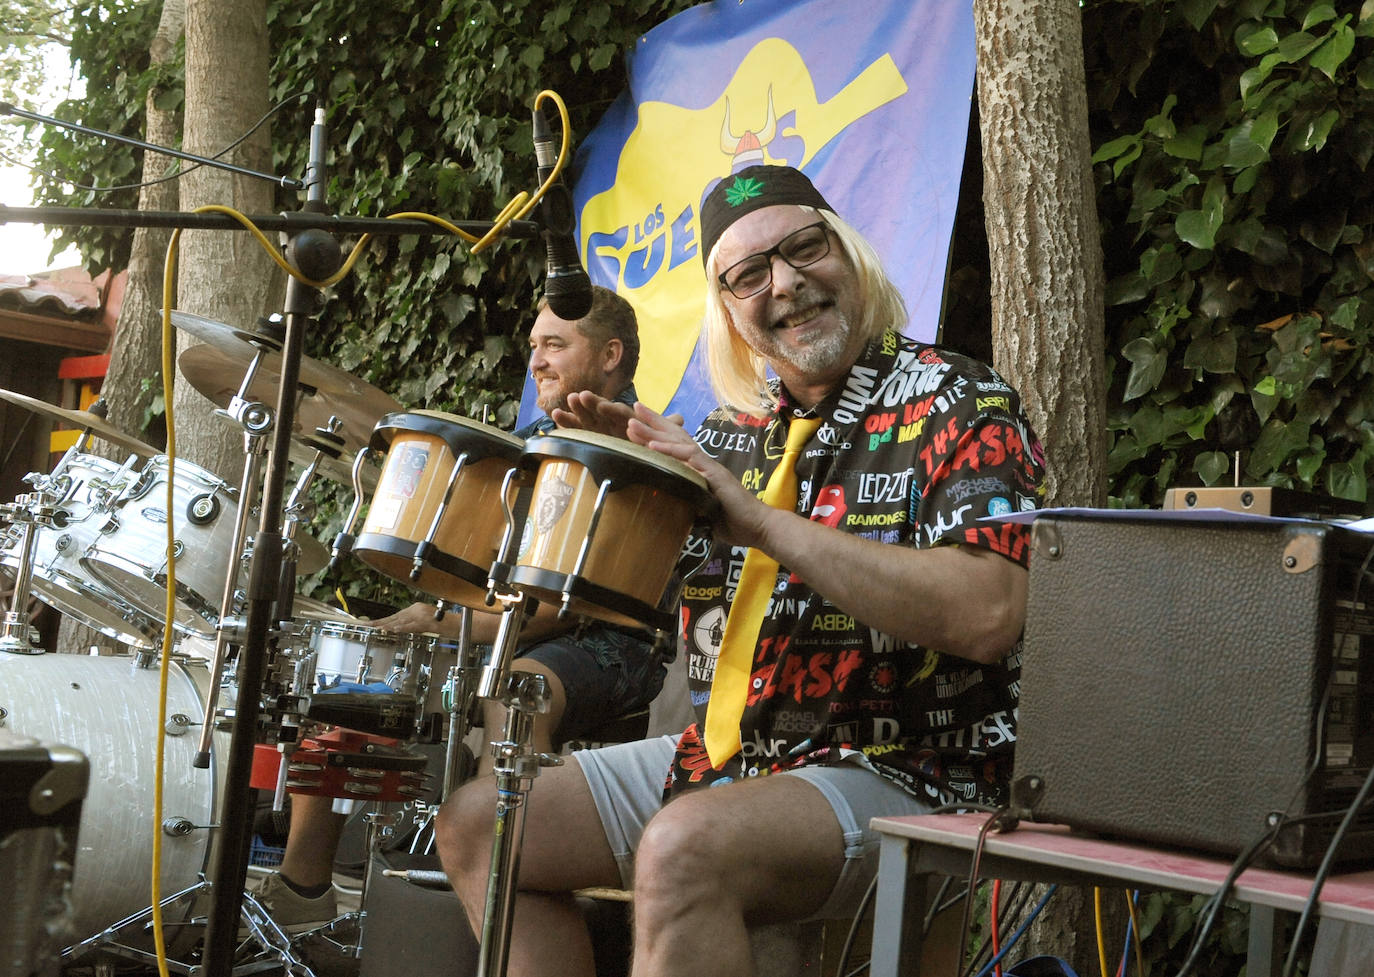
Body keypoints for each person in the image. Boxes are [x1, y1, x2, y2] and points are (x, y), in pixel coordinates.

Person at [435, 164, 1046, 976]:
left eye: (804, 247)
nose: (786, 283)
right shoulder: (730, 434)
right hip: (734, 753)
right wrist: (619, 488)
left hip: (913, 766)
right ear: (728, 310)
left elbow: (989, 612)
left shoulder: (962, 400)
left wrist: (763, 522)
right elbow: (632, 600)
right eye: (749, 273)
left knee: (685, 846)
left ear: (851, 255)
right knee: (485, 821)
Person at [250, 286, 671, 931]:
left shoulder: (637, 449)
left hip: (611, 646)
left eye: (555, 345)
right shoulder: (529, 443)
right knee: (362, 675)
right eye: (533, 346)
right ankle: (302, 898)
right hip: (505, 627)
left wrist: (442, 621)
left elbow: (562, 605)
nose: (536, 360)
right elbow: (487, 579)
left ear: (611, 355)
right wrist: (435, 617)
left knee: (515, 690)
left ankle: (495, 899)